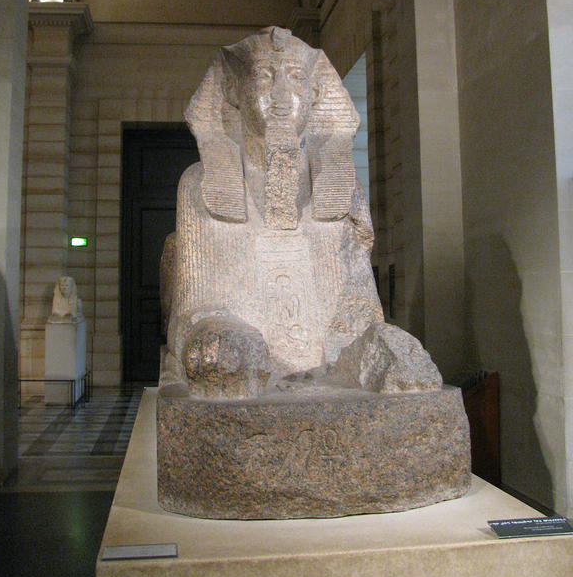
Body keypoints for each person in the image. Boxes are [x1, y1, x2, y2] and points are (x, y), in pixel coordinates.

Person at [162, 27, 439, 397]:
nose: (281, 96)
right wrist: (220, 334)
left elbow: (356, 319)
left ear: (316, 93)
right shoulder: (199, 184)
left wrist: (380, 345)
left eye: (295, 78)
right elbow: (195, 313)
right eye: (264, 77)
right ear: (232, 90)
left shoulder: (342, 188)